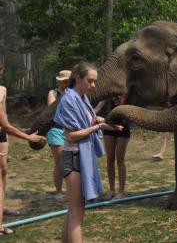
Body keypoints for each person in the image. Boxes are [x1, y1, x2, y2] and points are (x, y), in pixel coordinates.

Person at [54, 62, 122, 243]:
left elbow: (85, 122)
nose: (93, 86)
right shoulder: (69, 100)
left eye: (94, 82)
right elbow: (72, 135)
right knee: (78, 213)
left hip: (80, 157)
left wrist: (102, 123)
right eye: (90, 81)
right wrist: (97, 126)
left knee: (73, 209)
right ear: (78, 78)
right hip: (74, 158)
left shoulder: (82, 98)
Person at [0, 62, 47, 235]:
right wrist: (28, 137)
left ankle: (1, 207)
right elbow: (5, 124)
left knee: (3, 171)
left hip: (1, 136)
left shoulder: (2, 90)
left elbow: (4, 123)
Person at [95, 93, 131, 200]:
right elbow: (98, 107)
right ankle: (111, 190)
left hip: (123, 126)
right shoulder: (109, 92)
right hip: (109, 126)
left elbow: (123, 105)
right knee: (110, 158)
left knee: (120, 159)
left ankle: (121, 191)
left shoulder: (126, 91)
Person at [47, 70, 71, 202]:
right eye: (62, 81)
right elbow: (52, 107)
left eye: (67, 81)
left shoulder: (74, 93)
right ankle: (59, 192)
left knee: (70, 161)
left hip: (70, 130)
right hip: (55, 130)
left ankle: (71, 189)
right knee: (60, 162)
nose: (64, 83)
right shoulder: (53, 93)